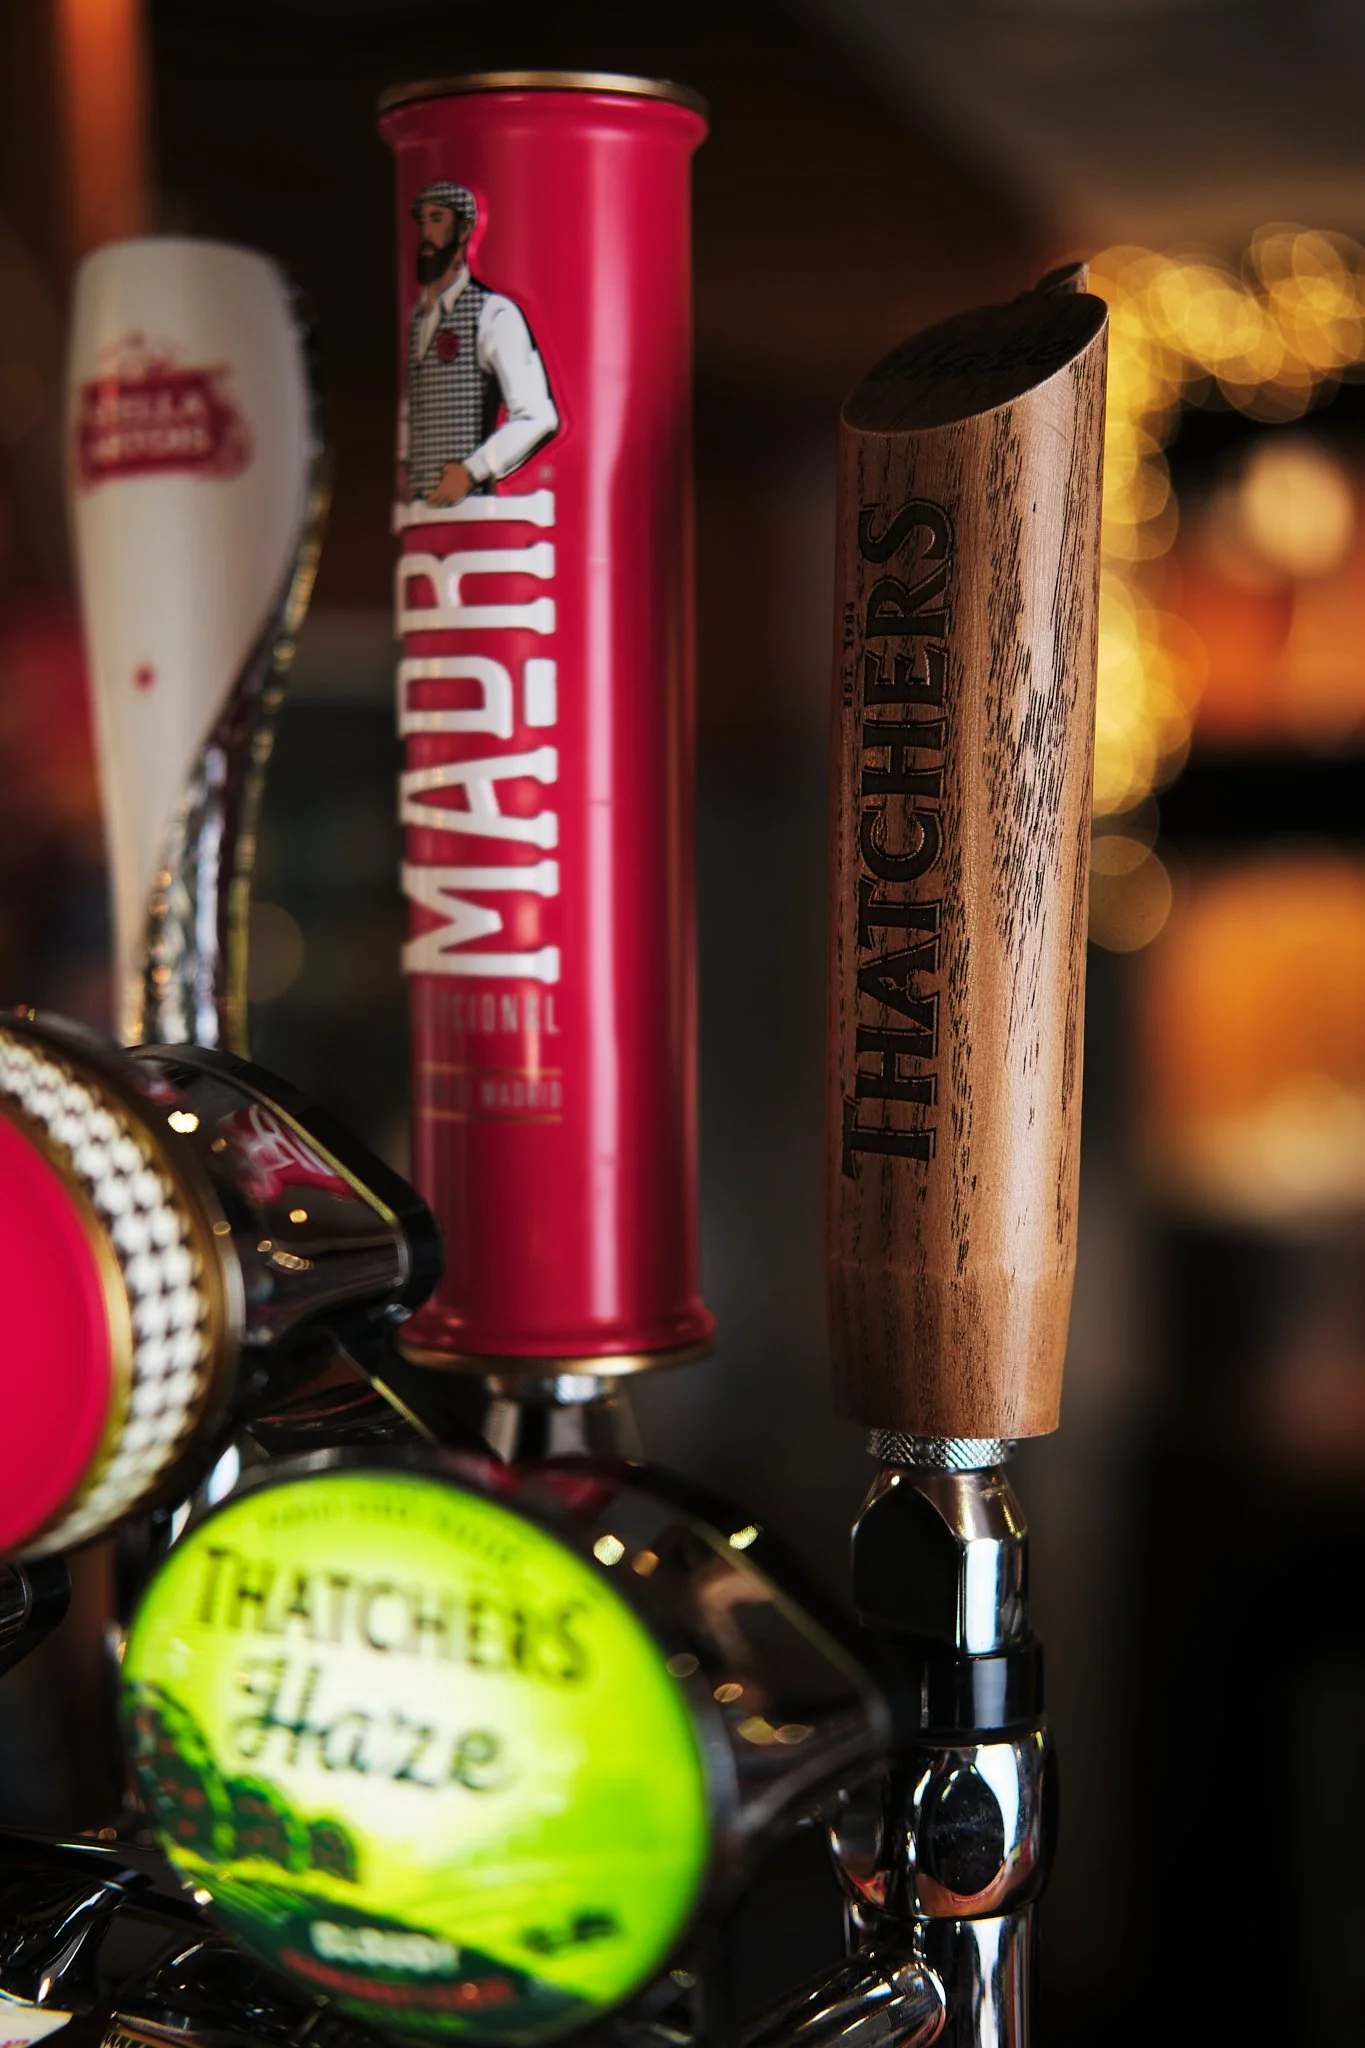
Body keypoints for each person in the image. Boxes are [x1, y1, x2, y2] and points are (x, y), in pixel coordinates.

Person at [399, 180, 559, 506]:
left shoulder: (493, 312)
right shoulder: (416, 319)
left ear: (464, 229)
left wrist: (473, 469)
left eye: (437, 219)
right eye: (423, 221)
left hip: (473, 515)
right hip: (420, 515)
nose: (426, 233)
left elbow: (538, 416)